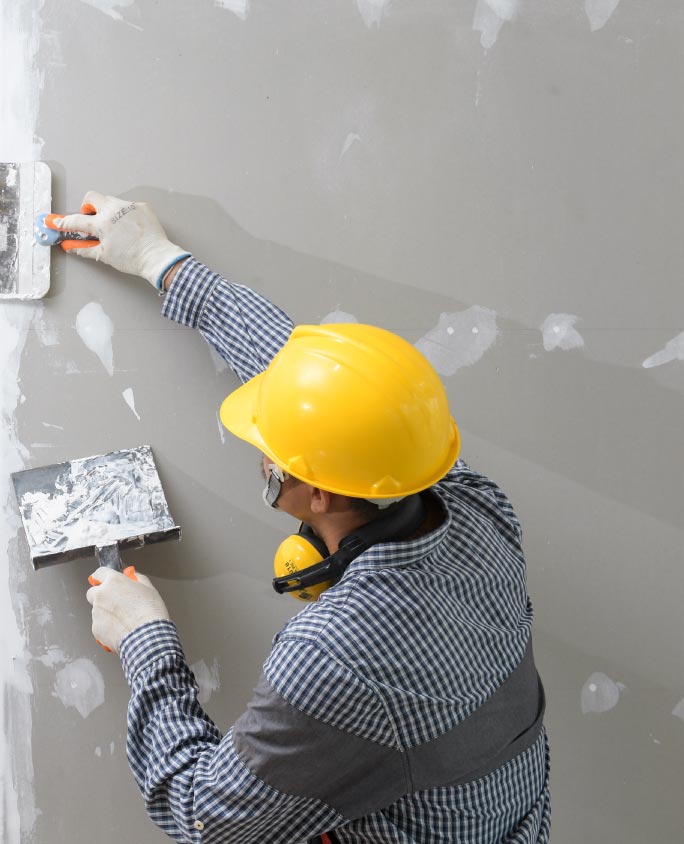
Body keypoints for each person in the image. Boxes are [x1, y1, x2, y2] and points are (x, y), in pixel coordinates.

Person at [55, 192, 551, 844]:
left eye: (271, 445)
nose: (259, 445)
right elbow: (313, 379)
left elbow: (209, 820)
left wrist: (146, 639)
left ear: (315, 493)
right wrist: (159, 259)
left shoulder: (337, 657)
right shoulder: (473, 506)